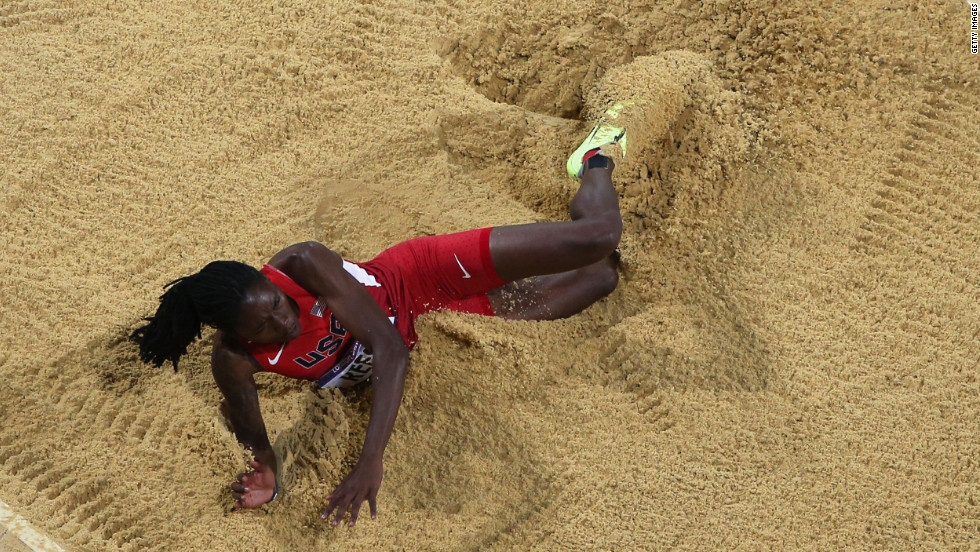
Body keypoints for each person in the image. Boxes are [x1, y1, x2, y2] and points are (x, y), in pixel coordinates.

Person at [130, 105, 629, 527]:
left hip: (422, 278)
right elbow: (257, 444)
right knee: (599, 277)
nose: (282, 322)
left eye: (278, 305)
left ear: (271, 283)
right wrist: (267, 477)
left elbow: (388, 349)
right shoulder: (233, 361)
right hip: (435, 328)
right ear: (234, 335)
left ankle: (593, 160)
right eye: (262, 327)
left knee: (599, 239)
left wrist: (370, 460)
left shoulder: (303, 263)